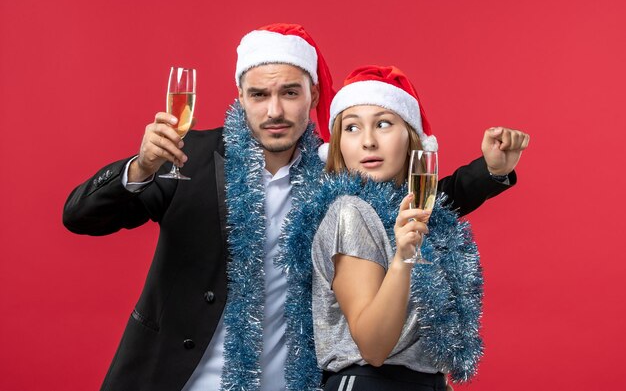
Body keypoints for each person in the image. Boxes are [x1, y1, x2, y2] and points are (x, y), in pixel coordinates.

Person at [62, 24, 526, 391]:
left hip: (290, 381)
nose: (274, 111)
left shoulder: (336, 169)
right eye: (259, 95)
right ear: (240, 97)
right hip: (175, 375)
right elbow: (79, 216)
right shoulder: (190, 156)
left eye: (289, 92)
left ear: (313, 97)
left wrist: (489, 171)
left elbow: (416, 198)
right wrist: (140, 167)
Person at [284, 65, 530, 390]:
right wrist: (403, 258)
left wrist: (492, 169)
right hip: (369, 381)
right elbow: (373, 347)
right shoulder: (350, 212)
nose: (368, 141)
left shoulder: (410, 205)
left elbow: (446, 196)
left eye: (383, 124)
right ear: (339, 145)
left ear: (410, 138)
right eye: (352, 128)